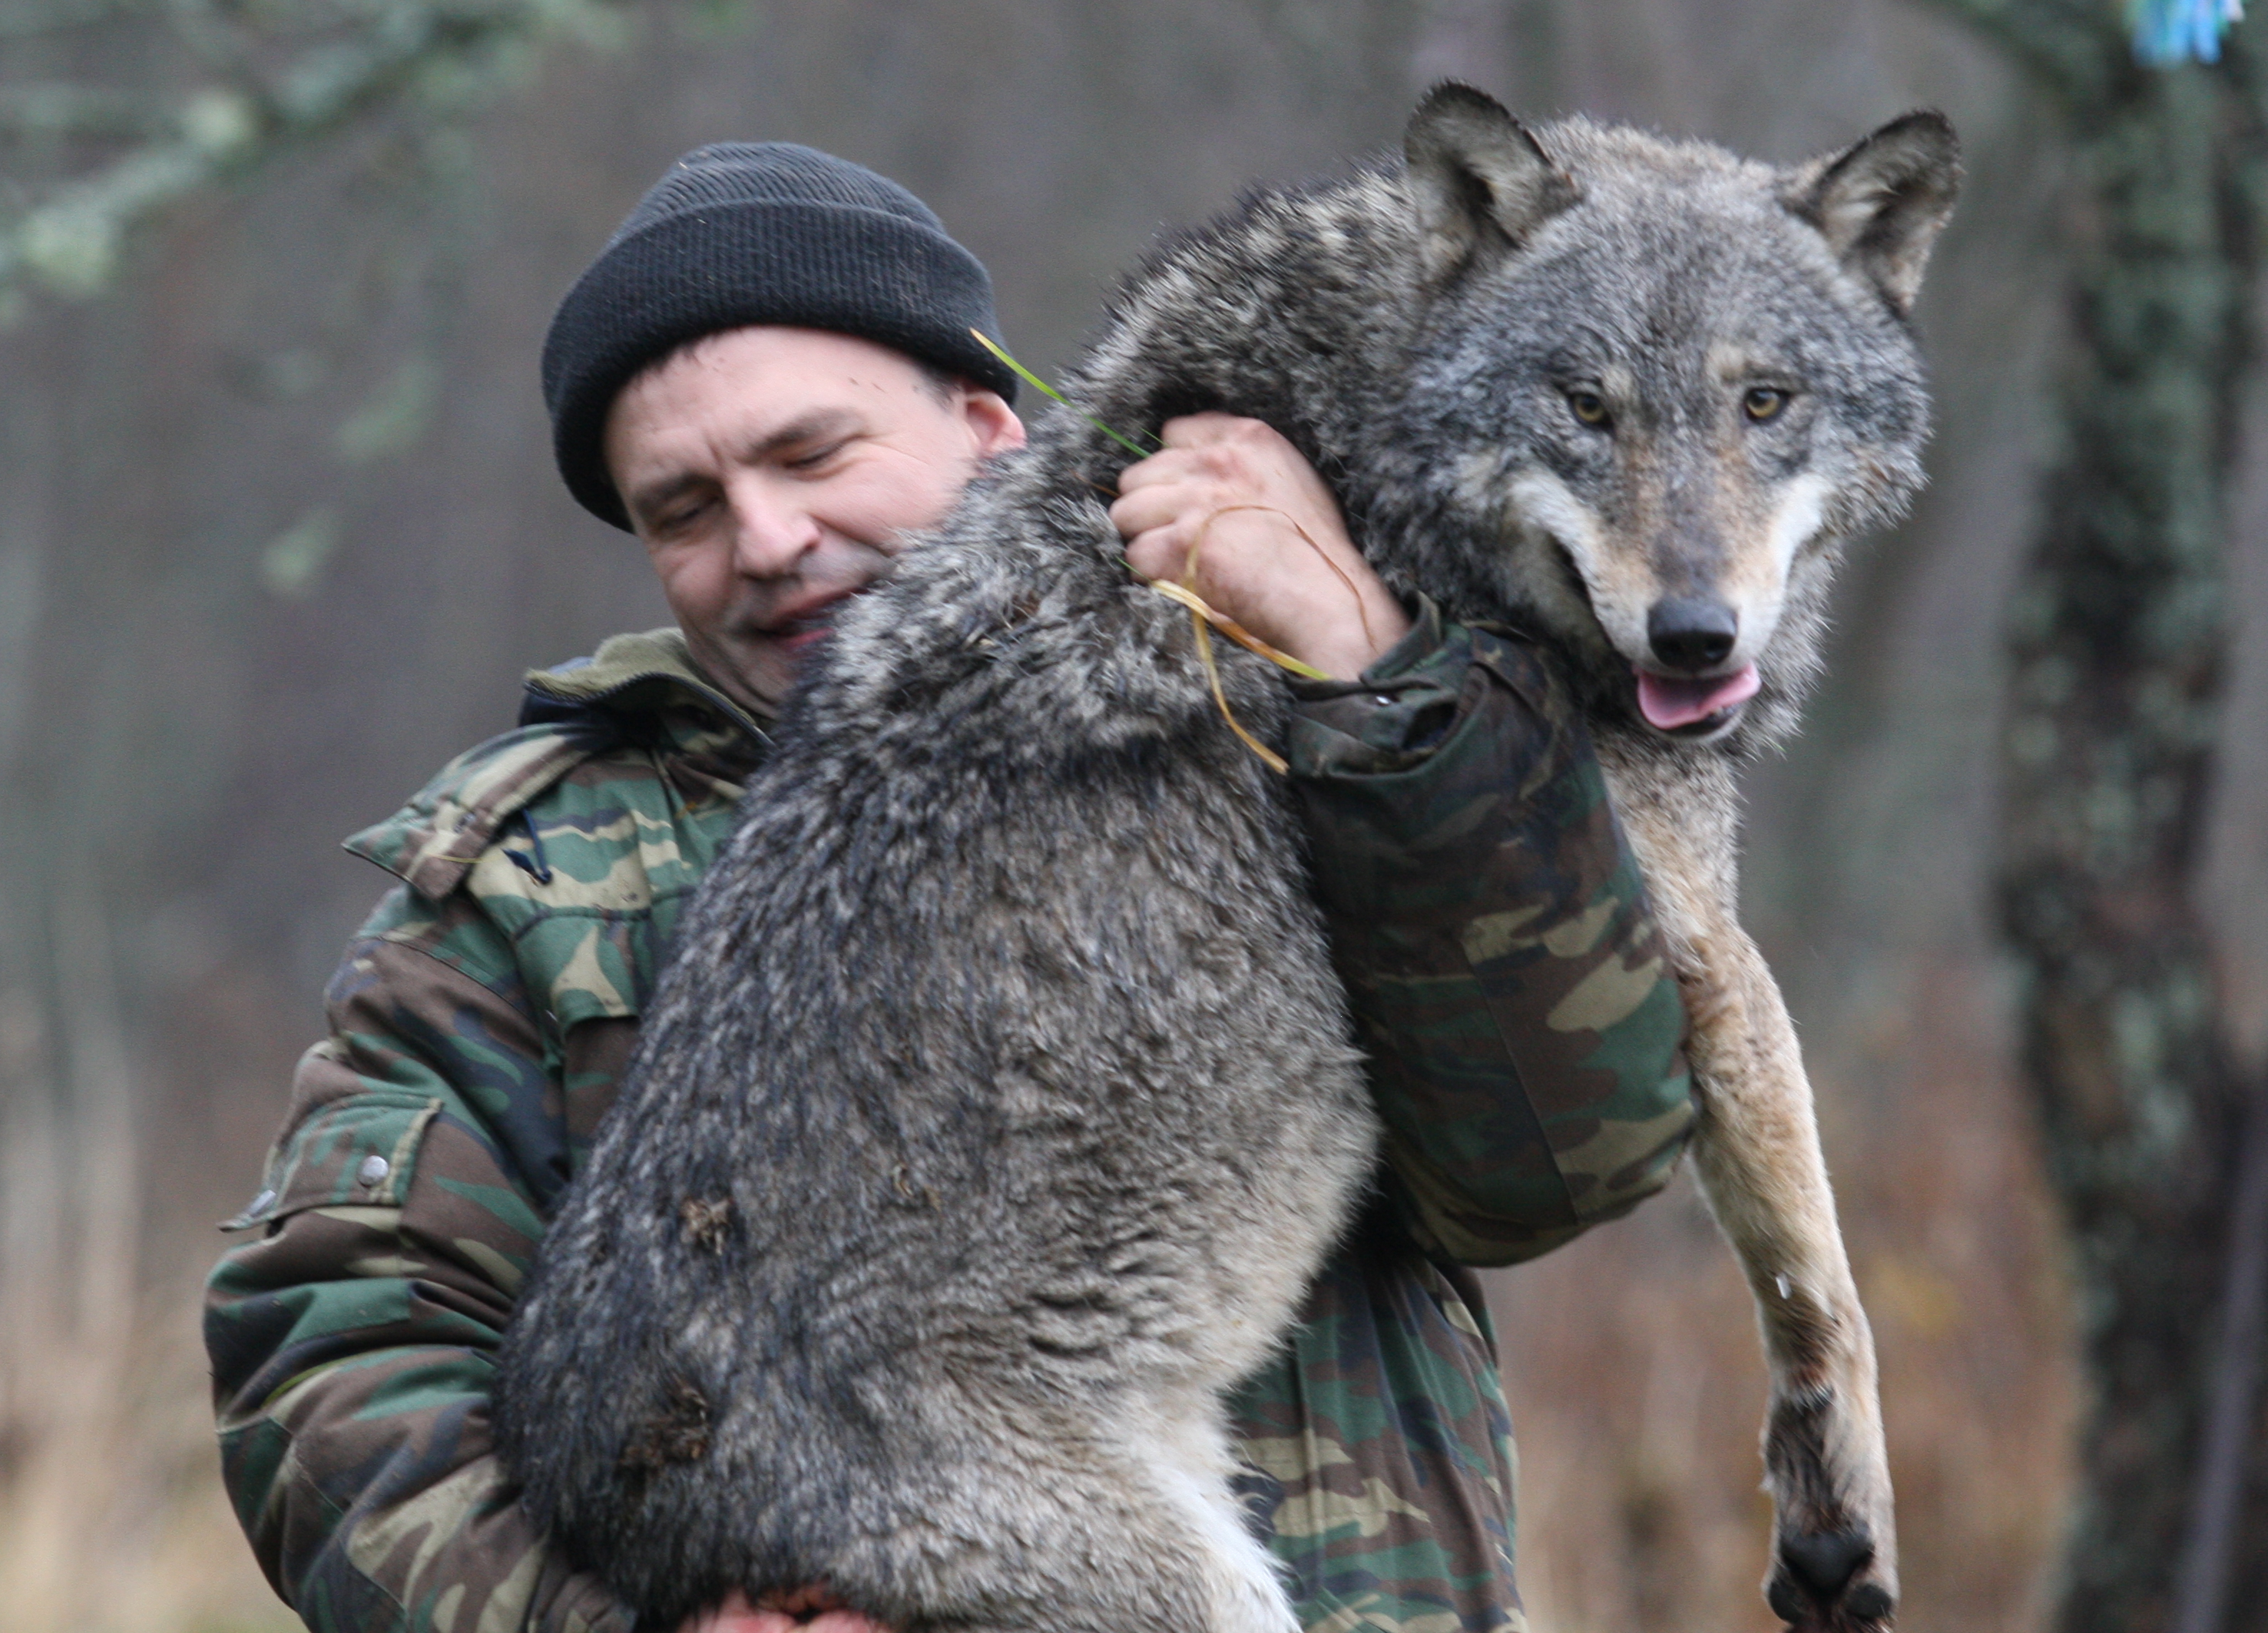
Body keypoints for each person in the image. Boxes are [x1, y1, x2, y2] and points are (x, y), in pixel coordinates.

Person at [205, 142, 1697, 1633]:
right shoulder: (528, 885)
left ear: (991, 426)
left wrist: (1373, 681)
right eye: (683, 509)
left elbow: (1566, 1157)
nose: (767, 543)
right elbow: (335, 1366)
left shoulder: (1295, 700)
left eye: (812, 455)